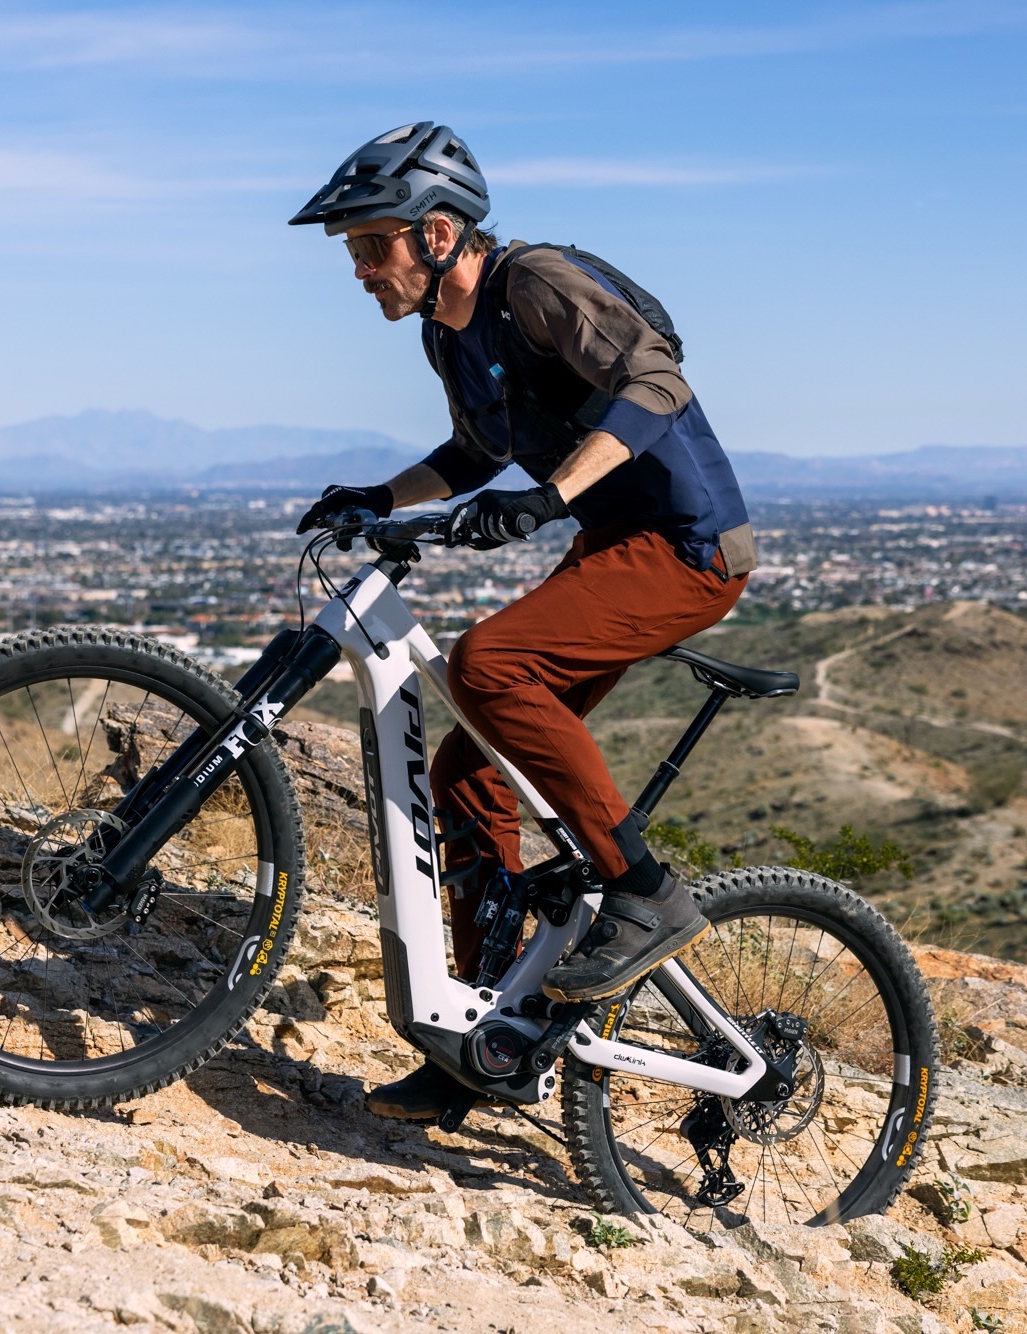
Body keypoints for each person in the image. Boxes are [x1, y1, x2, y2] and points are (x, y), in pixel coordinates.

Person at [287, 122, 760, 1120]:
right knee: (464, 772)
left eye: (373, 245)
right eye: (353, 252)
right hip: (614, 545)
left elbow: (655, 379)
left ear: (439, 232)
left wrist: (552, 494)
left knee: (488, 661)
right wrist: (381, 496)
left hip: (689, 545)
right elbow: (472, 453)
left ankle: (644, 893)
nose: (360, 269)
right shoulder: (445, 330)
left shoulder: (534, 283)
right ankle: (483, 1039)